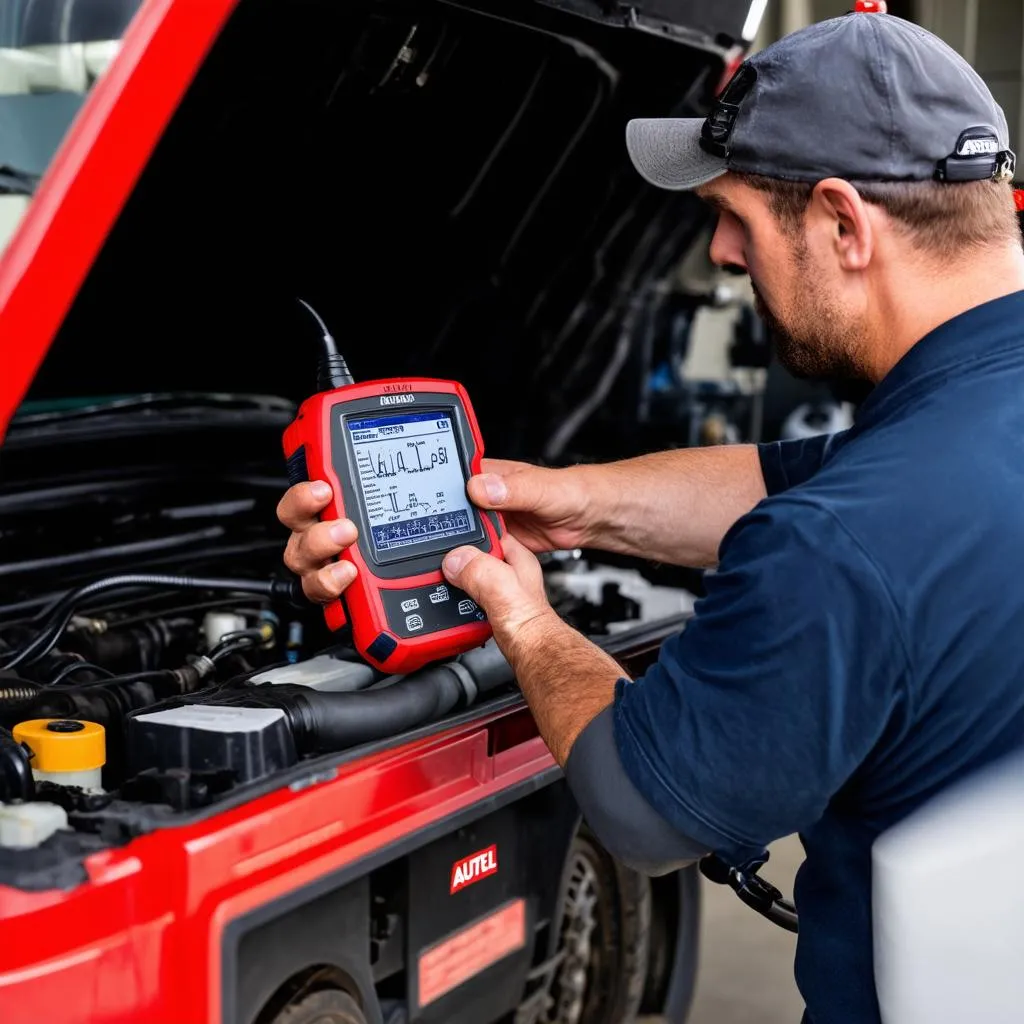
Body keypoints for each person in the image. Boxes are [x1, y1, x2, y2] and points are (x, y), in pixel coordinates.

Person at [276, 11, 1024, 1024]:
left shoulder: (843, 541)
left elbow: (639, 806)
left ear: (845, 225)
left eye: (740, 217)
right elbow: (790, 479)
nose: (720, 253)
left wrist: (527, 620)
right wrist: (568, 501)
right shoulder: (957, 430)